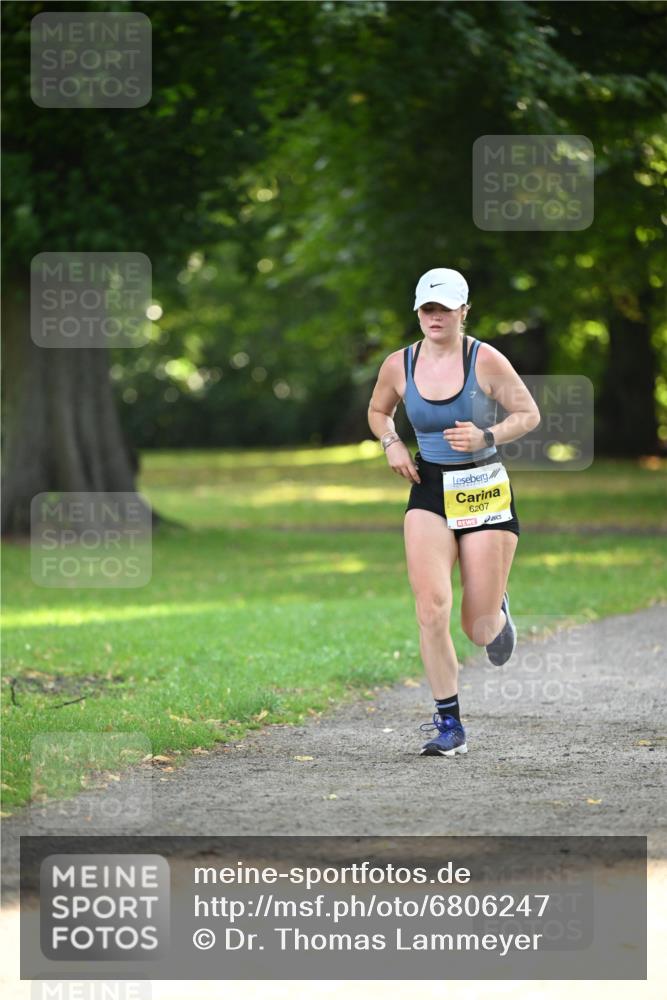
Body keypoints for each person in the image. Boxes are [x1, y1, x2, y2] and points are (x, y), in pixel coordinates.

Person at [367, 267, 541, 757]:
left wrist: (487, 436)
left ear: (464, 310)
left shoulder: (484, 360)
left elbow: (528, 414)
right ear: (418, 312)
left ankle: (497, 608)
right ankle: (449, 724)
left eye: (444, 308)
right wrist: (392, 443)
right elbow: (378, 411)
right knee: (431, 607)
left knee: (477, 628)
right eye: (427, 308)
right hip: (429, 490)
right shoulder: (398, 364)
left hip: (483, 487)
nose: (435, 316)